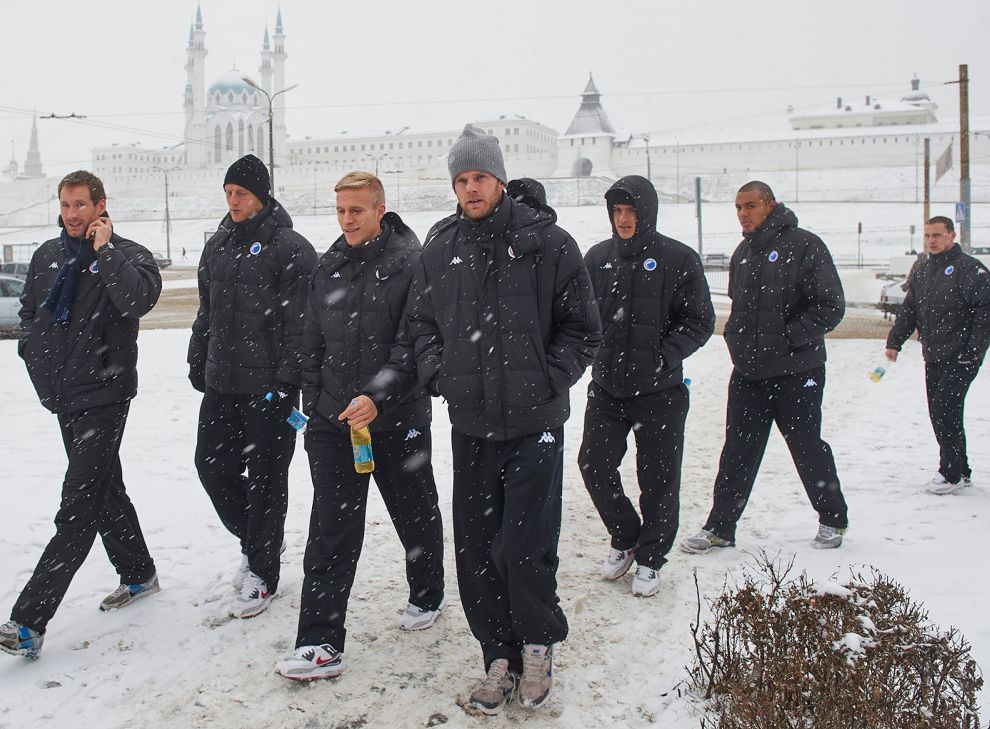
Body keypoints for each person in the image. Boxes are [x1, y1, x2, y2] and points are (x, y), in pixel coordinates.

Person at [407, 125, 600, 714]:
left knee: (524, 544)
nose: (470, 188)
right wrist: (439, 374)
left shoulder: (549, 243)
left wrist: (548, 376)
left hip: (534, 422)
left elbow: (582, 329)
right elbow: (421, 325)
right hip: (471, 425)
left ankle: (538, 645)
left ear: (500, 179)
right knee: (474, 547)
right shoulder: (440, 248)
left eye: (480, 178)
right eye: (461, 179)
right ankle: (498, 653)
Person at [0, 171, 163, 660]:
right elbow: (30, 310)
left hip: (105, 393)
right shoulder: (47, 255)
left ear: (101, 205)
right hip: (63, 394)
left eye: (80, 205)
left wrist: (106, 254)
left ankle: (28, 623)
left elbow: (138, 300)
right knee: (104, 490)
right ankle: (139, 573)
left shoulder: (129, 255)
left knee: (78, 504)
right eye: (65, 205)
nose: (71, 214)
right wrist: (30, 350)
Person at [275, 172, 445, 682]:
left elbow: (413, 346)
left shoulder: (411, 265)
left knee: (415, 515)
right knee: (331, 530)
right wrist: (316, 408)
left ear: (380, 209)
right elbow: (312, 346)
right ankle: (320, 642)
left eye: (357, 211)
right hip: (335, 423)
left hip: (397, 421)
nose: (347, 221)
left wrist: (376, 398)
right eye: (341, 211)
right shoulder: (327, 267)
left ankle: (427, 592)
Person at [682, 181, 849, 555]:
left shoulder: (806, 245)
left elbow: (830, 306)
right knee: (737, 451)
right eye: (738, 207)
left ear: (770, 205)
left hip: (798, 371)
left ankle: (832, 518)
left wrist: (786, 338)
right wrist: (736, 341)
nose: (743, 213)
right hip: (749, 374)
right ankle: (721, 527)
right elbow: (738, 308)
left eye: (751, 205)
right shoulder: (742, 253)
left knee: (807, 447)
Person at [187, 154, 317, 619]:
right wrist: (196, 355)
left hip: (269, 388)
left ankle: (263, 572)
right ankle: (258, 540)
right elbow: (207, 310)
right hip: (222, 381)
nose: (233, 201)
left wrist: (286, 383)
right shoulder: (218, 245)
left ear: (261, 196)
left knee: (267, 481)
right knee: (211, 467)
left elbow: (303, 325)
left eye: (241, 193)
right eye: (228, 193)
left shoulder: (292, 248)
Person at [579, 175, 714, 598]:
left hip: (660, 393)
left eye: (631, 211)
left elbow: (701, 321)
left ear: (647, 213)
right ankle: (626, 537)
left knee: (657, 479)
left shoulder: (679, 258)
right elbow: (581, 317)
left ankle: (652, 559)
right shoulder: (597, 258)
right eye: (617, 211)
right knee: (593, 465)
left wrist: (663, 355)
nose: (623, 219)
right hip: (607, 389)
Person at [885, 216, 990, 495]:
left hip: (960, 356)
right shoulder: (923, 270)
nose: (932, 241)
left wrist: (972, 352)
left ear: (951, 235)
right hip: (933, 354)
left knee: (944, 410)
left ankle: (950, 473)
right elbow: (910, 309)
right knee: (942, 413)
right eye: (928, 236)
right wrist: (895, 341)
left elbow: (985, 313)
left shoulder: (971, 270)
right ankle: (962, 469)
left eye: (938, 235)